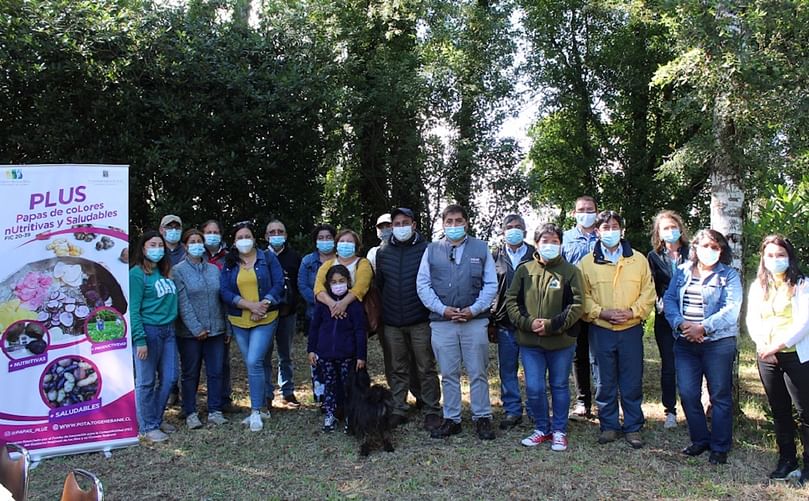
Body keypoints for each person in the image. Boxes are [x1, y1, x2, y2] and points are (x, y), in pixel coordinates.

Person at [417, 204, 498, 440]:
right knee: (449, 372)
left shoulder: (481, 248)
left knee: (478, 371)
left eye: (458, 221)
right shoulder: (432, 250)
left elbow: (491, 284)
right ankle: (452, 418)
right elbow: (423, 285)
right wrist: (442, 310)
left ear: (466, 222)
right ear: (443, 224)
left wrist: (474, 310)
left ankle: (482, 417)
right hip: (443, 322)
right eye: (449, 221)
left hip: (475, 321)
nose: (454, 225)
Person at [663, 229, 742, 465]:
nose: (710, 251)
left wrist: (703, 328)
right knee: (687, 393)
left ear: (722, 251)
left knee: (719, 395)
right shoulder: (682, 271)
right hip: (685, 342)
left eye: (715, 247)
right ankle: (700, 440)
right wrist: (681, 324)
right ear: (695, 247)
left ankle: (719, 446)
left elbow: (732, 308)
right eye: (705, 245)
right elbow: (669, 299)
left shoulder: (729, 275)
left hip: (718, 344)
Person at [580, 210, 655, 449]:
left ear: (622, 230)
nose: (610, 231)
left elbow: (648, 293)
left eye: (615, 227)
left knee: (632, 379)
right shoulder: (587, 263)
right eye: (605, 228)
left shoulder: (639, 260)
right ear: (597, 231)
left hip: (630, 329)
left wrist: (633, 312)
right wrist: (601, 312)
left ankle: (633, 427)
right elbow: (582, 297)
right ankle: (609, 425)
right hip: (601, 329)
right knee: (604, 380)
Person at [505, 223, 583, 451]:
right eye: (545, 241)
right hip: (530, 343)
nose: (550, 245)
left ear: (561, 243)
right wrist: (529, 323)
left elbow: (577, 305)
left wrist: (551, 325)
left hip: (561, 342)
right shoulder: (524, 270)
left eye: (554, 241)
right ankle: (541, 427)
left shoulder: (571, 272)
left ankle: (559, 430)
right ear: (536, 244)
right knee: (534, 387)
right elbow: (512, 301)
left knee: (559, 385)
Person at [747, 235, 809, 481]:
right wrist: (762, 343)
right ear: (763, 258)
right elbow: (752, 319)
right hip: (768, 357)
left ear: (789, 257)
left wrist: (778, 345)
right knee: (780, 411)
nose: (775, 260)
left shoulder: (802, 284)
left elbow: (804, 322)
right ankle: (786, 460)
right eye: (770, 255)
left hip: (796, 357)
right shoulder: (758, 285)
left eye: (780, 255)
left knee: (805, 412)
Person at [375, 207, 442, 430]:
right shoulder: (383, 251)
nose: (400, 227)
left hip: (420, 319)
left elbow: (434, 282)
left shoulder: (427, 249)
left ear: (414, 225)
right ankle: (398, 408)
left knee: (425, 367)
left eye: (405, 223)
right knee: (397, 367)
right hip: (392, 320)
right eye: (396, 223)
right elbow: (381, 284)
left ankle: (432, 409)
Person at [220, 221, 284, 432]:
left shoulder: (268, 258)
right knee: (254, 364)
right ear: (234, 242)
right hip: (240, 319)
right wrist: (250, 306)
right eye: (239, 237)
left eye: (247, 236)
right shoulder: (229, 262)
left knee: (254, 360)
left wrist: (263, 305)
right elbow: (225, 292)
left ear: (254, 239)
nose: (244, 240)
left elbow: (278, 284)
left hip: (265, 317)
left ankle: (255, 411)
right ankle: (263, 405)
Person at [172, 229, 228, 429]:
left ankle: (215, 410)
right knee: (190, 373)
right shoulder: (178, 271)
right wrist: (196, 328)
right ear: (185, 246)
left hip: (216, 330)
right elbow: (183, 303)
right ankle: (191, 412)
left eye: (199, 241)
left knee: (215, 372)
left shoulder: (213, 270)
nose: (197, 244)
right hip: (189, 334)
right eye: (192, 242)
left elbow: (222, 299)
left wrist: (226, 327)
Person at [129, 230, 179, 442]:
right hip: (148, 331)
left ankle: (156, 419)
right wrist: (139, 339)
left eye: (160, 245)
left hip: (168, 331)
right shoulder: (137, 274)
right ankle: (148, 426)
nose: (157, 249)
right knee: (146, 381)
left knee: (169, 378)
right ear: (143, 248)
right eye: (152, 245)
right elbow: (133, 310)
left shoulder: (165, 271)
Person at [307, 265, 367, 431]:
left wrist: (361, 356)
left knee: (349, 387)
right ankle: (330, 414)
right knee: (330, 385)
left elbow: (360, 331)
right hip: (325, 354)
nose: (338, 284)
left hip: (347, 354)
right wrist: (311, 349)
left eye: (341, 281)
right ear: (328, 284)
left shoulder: (354, 305)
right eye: (333, 282)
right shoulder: (322, 304)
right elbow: (314, 327)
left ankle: (350, 416)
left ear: (348, 282)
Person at [490, 214, 535, 430]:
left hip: (530, 324)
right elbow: (490, 290)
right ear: (502, 231)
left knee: (533, 370)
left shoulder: (535, 254)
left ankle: (535, 411)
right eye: (510, 227)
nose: (514, 230)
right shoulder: (494, 256)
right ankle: (512, 411)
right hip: (504, 324)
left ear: (525, 231)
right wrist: (492, 319)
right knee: (507, 370)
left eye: (518, 227)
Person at [647, 210, 690, 429]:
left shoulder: (692, 253)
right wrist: (658, 302)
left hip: (691, 316)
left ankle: (694, 408)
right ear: (659, 233)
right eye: (665, 228)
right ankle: (670, 411)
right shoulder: (653, 256)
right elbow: (651, 284)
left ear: (680, 228)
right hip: (665, 318)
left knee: (691, 364)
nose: (670, 231)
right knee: (669, 365)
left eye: (673, 227)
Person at [562, 195, 599, 419]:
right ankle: (583, 402)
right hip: (574, 305)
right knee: (579, 355)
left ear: (596, 212)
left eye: (590, 209)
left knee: (601, 354)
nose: (586, 213)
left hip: (601, 304)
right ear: (574, 213)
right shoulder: (565, 239)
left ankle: (606, 401)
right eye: (581, 209)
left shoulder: (605, 237)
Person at [298, 223, 337, 403]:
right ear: (315, 241)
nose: (325, 241)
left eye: (328, 237)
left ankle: (340, 393)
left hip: (341, 314)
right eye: (321, 238)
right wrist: (323, 302)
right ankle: (322, 395)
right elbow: (303, 286)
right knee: (318, 355)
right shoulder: (307, 261)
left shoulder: (342, 259)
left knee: (339, 353)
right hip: (316, 315)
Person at [265, 219, 302, 408]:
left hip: (288, 313)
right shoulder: (261, 258)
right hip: (265, 314)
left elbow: (299, 285)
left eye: (280, 231)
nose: (276, 235)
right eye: (272, 232)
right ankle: (265, 394)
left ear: (286, 235)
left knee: (285, 354)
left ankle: (287, 392)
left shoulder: (294, 257)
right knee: (264, 354)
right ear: (266, 236)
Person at [201, 219, 236, 413]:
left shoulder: (228, 257)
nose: (212, 235)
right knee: (192, 364)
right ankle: (189, 402)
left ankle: (224, 399)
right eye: (209, 232)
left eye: (216, 232)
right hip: (197, 317)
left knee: (222, 361)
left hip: (221, 314)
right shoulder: (196, 254)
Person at [313, 229, 373, 317]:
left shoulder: (363, 263)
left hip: (355, 313)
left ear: (356, 246)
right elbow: (318, 288)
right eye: (342, 241)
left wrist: (343, 304)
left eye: (349, 241)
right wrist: (333, 305)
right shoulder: (328, 264)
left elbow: (361, 287)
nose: (345, 244)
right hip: (329, 312)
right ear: (336, 245)